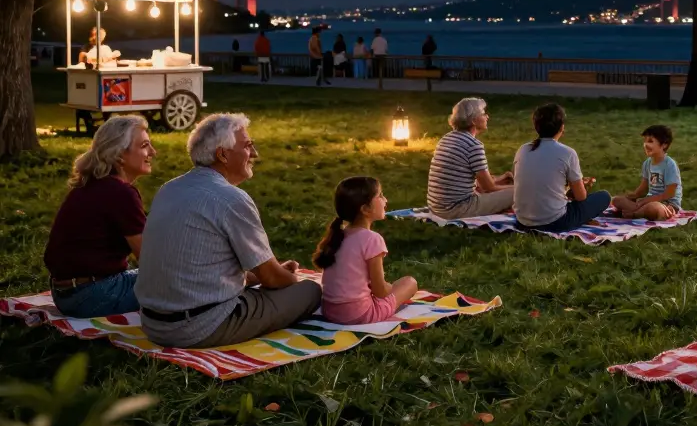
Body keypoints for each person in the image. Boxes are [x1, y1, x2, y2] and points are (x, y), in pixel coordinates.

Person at [134, 113, 322, 348]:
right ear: (222, 154)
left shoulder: (168, 189)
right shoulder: (231, 199)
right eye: (248, 146)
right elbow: (272, 279)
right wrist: (292, 278)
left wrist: (264, 274)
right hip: (199, 327)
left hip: (153, 324)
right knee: (311, 291)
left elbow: (202, 268)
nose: (255, 154)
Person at [43, 116, 155, 318]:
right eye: (145, 146)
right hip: (91, 295)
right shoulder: (120, 193)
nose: (152, 153)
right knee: (186, 286)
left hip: (66, 293)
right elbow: (151, 259)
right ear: (120, 154)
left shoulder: (94, 184)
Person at [313, 177, 419, 324]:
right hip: (358, 314)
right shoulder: (372, 239)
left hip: (330, 311)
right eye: (380, 196)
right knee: (409, 282)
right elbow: (380, 292)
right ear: (365, 209)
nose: (385, 200)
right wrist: (390, 287)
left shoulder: (339, 235)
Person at [512, 103, 611, 232]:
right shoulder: (567, 153)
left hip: (522, 221)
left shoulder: (523, 149)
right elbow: (581, 197)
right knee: (604, 196)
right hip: (555, 223)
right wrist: (578, 186)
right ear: (561, 127)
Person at [427, 97, 515, 219]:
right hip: (456, 209)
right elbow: (489, 188)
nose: (487, 117)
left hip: (436, 207)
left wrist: (501, 178)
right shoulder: (473, 145)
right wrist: (519, 187)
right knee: (519, 193)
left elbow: (476, 180)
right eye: (483, 114)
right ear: (473, 120)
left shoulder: (446, 138)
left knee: (498, 183)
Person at [610, 124, 681, 221]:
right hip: (648, 202)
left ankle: (634, 214)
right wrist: (631, 196)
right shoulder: (647, 163)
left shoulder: (670, 164)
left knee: (654, 209)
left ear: (664, 144)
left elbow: (670, 193)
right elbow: (642, 189)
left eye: (650, 141)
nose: (646, 145)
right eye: (645, 141)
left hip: (667, 205)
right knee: (616, 200)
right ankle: (638, 212)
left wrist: (647, 200)